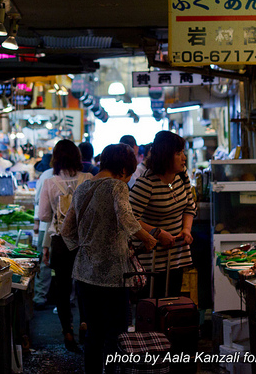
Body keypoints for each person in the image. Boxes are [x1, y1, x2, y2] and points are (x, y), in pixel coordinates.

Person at [61, 143, 158, 374]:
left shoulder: (82, 188)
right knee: (116, 333)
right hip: (114, 275)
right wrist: (148, 239)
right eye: (129, 174)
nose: (128, 179)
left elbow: (66, 231)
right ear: (123, 169)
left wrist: (87, 247)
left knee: (94, 333)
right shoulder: (117, 186)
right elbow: (126, 218)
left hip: (84, 273)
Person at [39, 139, 93, 350]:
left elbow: (44, 216)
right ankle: (85, 323)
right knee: (85, 286)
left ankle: (67, 332)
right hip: (85, 241)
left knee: (62, 289)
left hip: (60, 241)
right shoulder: (88, 179)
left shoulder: (50, 183)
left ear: (56, 158)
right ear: (77, 157)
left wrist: (45, 247)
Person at [129, 131, 196, 298]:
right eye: (178, 153)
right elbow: (129, 219)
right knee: (153, 304)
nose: (184, 158)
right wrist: (157, 233)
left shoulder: (182, 174)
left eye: (183, 152)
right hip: (152, 259)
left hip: (177, 254)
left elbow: (189, 206)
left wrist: (186, 230)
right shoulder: (146, 183)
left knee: (172, 304)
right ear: (165, 156)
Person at [32, 156, 54, 310]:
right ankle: (68, 298)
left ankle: (40, 297)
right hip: (68, 228)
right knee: (66, 265)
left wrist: (36, 222)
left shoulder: (46, 174)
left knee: (44, 262)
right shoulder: (79, 175)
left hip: (46, 225)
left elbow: (38, 201)